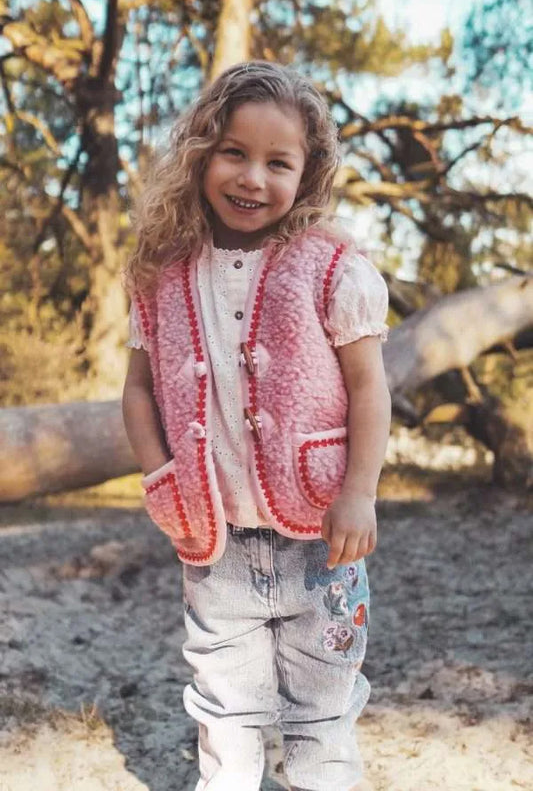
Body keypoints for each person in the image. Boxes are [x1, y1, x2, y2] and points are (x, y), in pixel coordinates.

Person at [122, 60, 391, 791]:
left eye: (278, 162)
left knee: (321, 710)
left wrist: (359, 491)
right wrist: (160, 480)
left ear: (306, 174)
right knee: (225, 707)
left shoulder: (332, 268)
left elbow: (369, 389)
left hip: (321, 538)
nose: (251, 177)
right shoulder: (162, 273)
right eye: (234, 152)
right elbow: (139, 391)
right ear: (201, 152)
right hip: (212, 543)